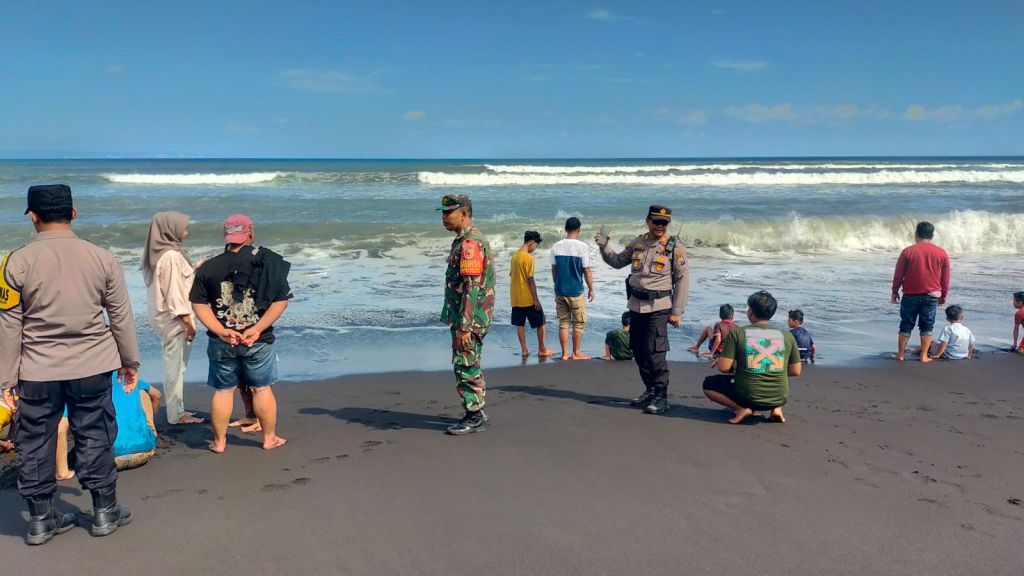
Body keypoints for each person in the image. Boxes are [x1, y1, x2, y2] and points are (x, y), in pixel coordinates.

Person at [0, 184, 139, 545]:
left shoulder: (15, 261)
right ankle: (105, 511)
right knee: (95, 432)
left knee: (34, 440)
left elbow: (8, 325)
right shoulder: (102, 257)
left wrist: (5, 380)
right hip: (92, 364)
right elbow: (120, 315)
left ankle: (41, 520)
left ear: (33, 216)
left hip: (36, 370)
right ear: (73, 213)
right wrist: (129, 361)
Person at [189, 214, 291, 453]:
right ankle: (269, 438)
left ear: (226, 235)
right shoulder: (268, 263)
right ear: (250, 232)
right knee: (261, 388)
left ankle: (220, 442)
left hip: (222, 339)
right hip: (257, 338)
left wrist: (220, 330)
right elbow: (280, 301)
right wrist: (257, 328)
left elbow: (198, 303)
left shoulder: (209, 267)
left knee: (223, 391)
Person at [596, 205, 689, 414]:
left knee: (655, 351)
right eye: (656, 221)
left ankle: (661, 396)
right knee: (637, 348)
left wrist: (676, 311)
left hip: (660, 306)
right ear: (647, 221)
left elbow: (682, 280)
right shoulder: (638, 243)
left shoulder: (675, 247)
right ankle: (649, 390)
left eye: (664, 223)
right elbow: (618, 261)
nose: (660, 226)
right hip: (636, 304)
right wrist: (604, 246)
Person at [438, 194, 496, 435]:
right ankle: (477, 411)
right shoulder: (466, 240)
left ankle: (473, 416)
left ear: (463, 214)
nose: (443, 217)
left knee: (465, 364)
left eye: (448, 212)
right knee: (469, 362)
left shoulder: (470, 244)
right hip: (471, 316)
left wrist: (464, 326)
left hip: (469, 318)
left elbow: (472, 287)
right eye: (442, 212)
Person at [703, 290, 802, 424]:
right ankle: (776, 409)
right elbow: (795, 371)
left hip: (748, 397)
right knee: (775, 377)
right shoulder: (787, 336)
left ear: (750, 312)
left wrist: (734, 364)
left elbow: (724, 368)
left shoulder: (738, 333)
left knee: (708, 384)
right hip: (779, 397)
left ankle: (741, 408)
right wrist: (767, 369)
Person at [143, 211, 204, 425]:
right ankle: (176, 415)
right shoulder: (171, 256)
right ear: (170, 229)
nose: (186, 232)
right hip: (175, 321)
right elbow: (174, 293)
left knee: (176, 367)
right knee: (175, 368)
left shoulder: (163, 254)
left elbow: (175, 283)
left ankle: (177, 411)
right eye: (182, 227)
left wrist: (195, 269)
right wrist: (188, 323)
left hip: (168, 320)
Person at [892, 221, 951, 363]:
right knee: (927, 325)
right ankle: (924, 355)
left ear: (916, 234)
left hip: (910, 294)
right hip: (931, 295)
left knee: (906, 323)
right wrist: (943, 295)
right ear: (932, 235)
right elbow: (945, 277)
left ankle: (900, 354)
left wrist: (895, 291)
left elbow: (899, 274)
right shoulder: (941, 253)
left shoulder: (907, 251)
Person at [551, 217, 595, 360]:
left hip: (560, 289)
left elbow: (554, 269)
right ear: (578, 230)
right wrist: (591, 288)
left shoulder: (556, 246)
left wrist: (557, 283)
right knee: (578, 323)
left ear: (565, 229)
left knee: (563, 322)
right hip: (576, 290)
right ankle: (576, 352)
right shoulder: (583, 247)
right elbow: (586, 270)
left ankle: (564, 354)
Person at [510, 230, 554, 358]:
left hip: (516, 297)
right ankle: (542, 349)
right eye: (535, 245)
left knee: (520, 324)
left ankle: (524, 349)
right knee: (541, 322)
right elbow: (530, 279)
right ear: (531, 242)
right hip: (527, 297)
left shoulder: (515, 257)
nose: (535, 249)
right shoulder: (528, 258)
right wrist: (536, 299)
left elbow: (513, 276)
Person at [111, 375, 161, 470]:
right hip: (144, 452)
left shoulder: (93, 384)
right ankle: (148, 431)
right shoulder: (132, 380)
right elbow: (157, 395)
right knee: (141, 391)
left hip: (107, 459)